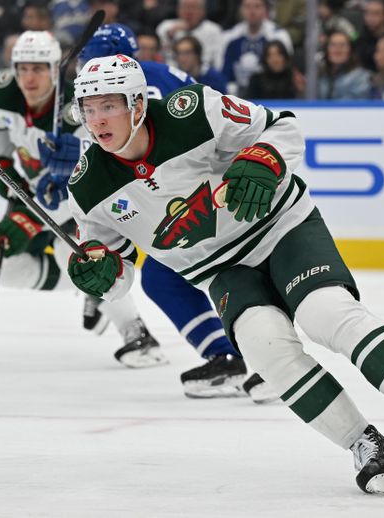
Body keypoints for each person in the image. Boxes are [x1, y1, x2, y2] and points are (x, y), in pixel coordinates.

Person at [65, 54, 384, 496]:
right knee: (266, 349)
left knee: (326, 314)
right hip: (219, 270)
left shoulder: (193, 110)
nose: (97, 120)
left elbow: (284, 125)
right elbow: (114, 271)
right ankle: (366, 446)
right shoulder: (88, 186)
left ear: (137, 103)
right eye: (89, 108)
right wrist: (95, 275)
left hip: (282, 227)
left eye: (109, 105)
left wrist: (265, 156)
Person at [39, 23, 275, 401]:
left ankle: (272, 363)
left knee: (227, 273)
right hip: (156, 203)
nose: (91, 76)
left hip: (193, 198)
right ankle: (227, 355)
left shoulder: (153, 83)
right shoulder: (131, 85)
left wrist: (68, 163)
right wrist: (62, 170)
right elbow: (94, 157)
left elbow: (175, 137)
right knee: (164, 279)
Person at [0, 30, 166, 368]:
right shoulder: (3, 91)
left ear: (54, 70)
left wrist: (29, 216)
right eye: (22, 68)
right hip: (38, 193)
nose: (28, 77)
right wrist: (3, 171)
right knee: (5, 267)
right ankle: (87, 289)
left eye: (38, 69)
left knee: (78, 251)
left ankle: (137, 334)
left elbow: (89, 175)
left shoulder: (79, 107)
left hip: (83, 198)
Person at [218, 0, 293, 96]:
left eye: (257, 6)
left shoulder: (278, 35)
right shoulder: (229, 37)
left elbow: (287, 70)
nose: (252, 11)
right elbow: (223, 72)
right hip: (235, 96)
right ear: (240, 10)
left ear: (266, 10)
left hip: (268, 94)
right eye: (247, 6)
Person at [156, 0, 223, 68]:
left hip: (202, 73)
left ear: (203, 11)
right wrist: (169, 36)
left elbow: (216, 60)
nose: (189, 12)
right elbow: (159, 55)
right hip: (171, 72)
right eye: (185, 7)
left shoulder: (213, 30)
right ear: (178, 9)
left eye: (193, 8)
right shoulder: (165, 27)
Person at [318, 30, 372, 100]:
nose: (337, 49)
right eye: (333, 45)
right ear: (326, 50)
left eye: (342, 45)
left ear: (350, 50)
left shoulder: (361, 77)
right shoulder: (321, 76)